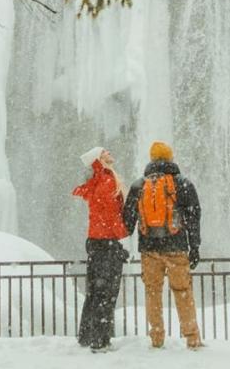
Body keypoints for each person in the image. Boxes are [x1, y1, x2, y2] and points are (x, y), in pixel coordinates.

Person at [123, 140, 203, 350]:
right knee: (182, 291)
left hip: (149, 249)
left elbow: (127, 222)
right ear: (170, 158)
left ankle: (156, 337)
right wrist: (194, 247)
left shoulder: (139, 185)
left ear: (151, 159)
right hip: (176, 247)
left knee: (152, 292)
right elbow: (194, 218)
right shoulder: (182, 184)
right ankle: (192, 338)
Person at [71, 146, 128, 351]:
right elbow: (111, 215)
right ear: (99, 159)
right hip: (106, 243)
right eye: (105, 152)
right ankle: (100, 340)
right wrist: (123, 234)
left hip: (95, 242)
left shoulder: (97, 179)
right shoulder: (107, 180)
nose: (109, 152)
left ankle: (87, 335)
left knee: (95, 291)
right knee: (106, 292)